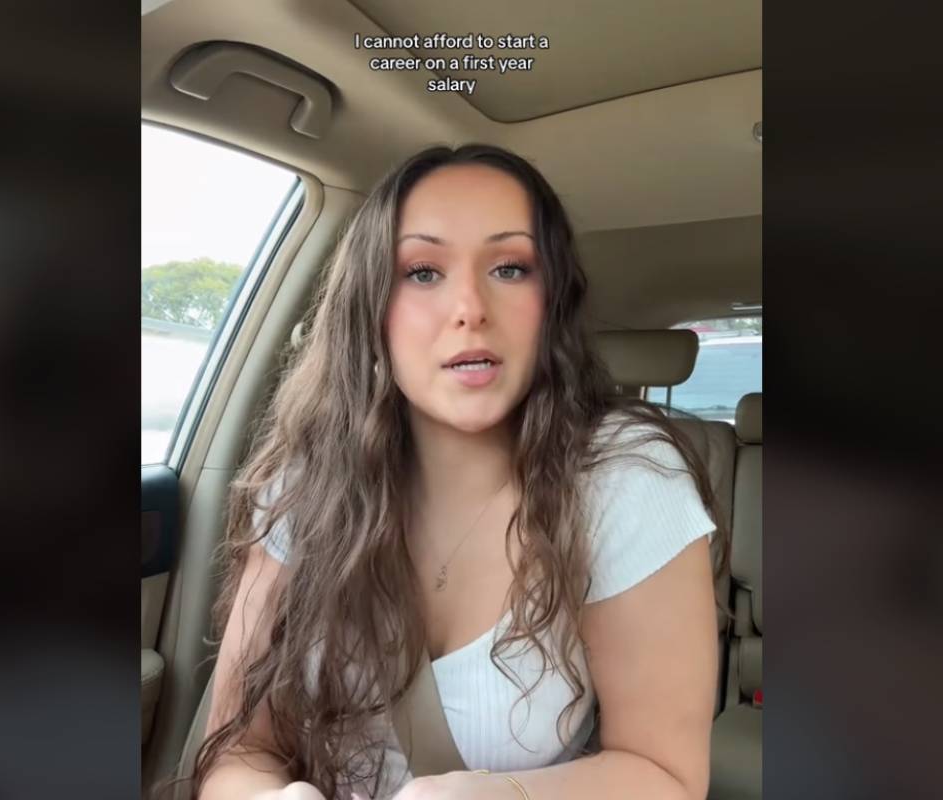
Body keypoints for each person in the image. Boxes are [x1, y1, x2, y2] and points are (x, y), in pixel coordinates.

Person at [188, 144, 725, 799]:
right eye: (421, 271)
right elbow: (238, 750)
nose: (469, 306)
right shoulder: (306, 476)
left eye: (508, 267)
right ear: (372, 307)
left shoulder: (624, 480)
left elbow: (667, 774)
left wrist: (504, 797)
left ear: (549, 302)